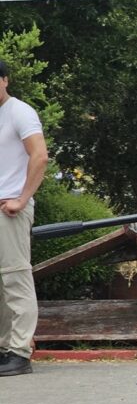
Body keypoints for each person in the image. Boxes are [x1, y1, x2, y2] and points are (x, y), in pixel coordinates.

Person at [0, 59, 49, 377]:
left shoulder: (20, 112)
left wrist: (23, 198)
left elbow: (40, 155)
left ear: (4, 80)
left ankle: (19, 352)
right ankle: (6, 348)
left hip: (9, 209)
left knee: (15, 277)